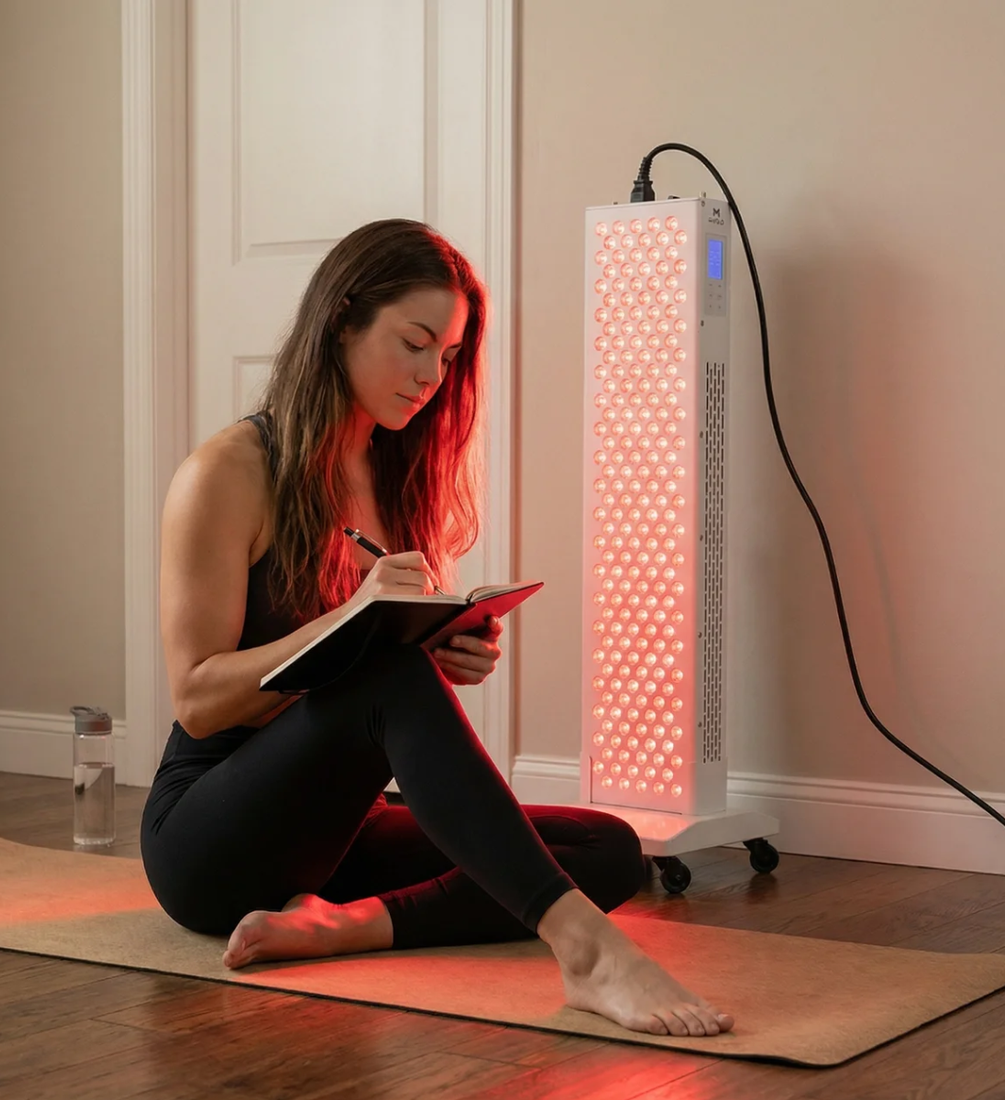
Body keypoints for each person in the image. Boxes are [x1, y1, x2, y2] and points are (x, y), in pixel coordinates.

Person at [139, 218, 734, 1040]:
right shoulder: (227, 473)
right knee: (389, 681)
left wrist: (436, 643)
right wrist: (357, 626)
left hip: (334, 831)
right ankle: (587, 954)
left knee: (609, 849)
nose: (430, 376)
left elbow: (368, 681)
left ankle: (343, 927)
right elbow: (199, 699)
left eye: (448, 357)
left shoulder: (390, 473)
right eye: (415, 343)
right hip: (211, 839)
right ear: (343, 319)